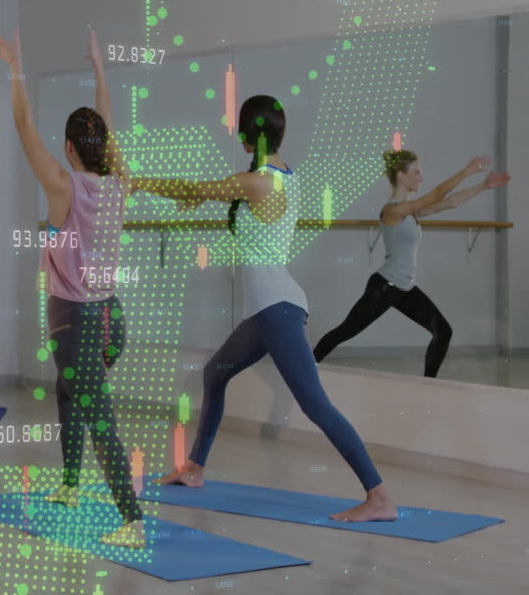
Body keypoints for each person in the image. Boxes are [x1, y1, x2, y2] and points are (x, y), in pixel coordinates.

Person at [137, 95, 397, 522]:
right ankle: (195, 469)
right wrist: (200, 196)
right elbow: (210, 193)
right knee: (215, 373)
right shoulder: (276, 175)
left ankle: (379, 495)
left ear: (245, 135)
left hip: (277, 308)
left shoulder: (258, 182)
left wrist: (136, 182)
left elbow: (194, 189)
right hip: (266, 310)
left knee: (314, 403)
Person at [0, 29, 145, 548]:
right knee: (68, 393)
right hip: (110, 318)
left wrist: (15, 65)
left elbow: (21, 123)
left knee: (98, 417)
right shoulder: (118, 180)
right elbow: (108, 126)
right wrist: (101, 71)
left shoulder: (63, 185)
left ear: (71, 147)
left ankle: (132, 520)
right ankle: (72, 486)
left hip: (72, 319)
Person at [314, 151, 509, 377]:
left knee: (443, 331)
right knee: (345, 331)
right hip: (384, 288)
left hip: (405, 288)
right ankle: (305, 365)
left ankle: (428, 385)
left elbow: (450, 202)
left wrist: (482, 186)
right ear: (401, 175)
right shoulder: (393, 211)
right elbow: (437, 194)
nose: (420, 177)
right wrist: (466, 172)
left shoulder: (412, 212)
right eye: (416, 172)